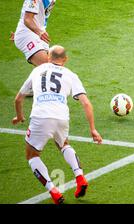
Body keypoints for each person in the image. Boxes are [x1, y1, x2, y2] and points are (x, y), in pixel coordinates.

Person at [12, 45, 103, 204]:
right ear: (65, 60)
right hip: (61, 117)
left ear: (48, 57)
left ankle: (53, 191)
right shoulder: (70, 74)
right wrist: (93, 129)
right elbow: (86, 103)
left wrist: (19, 116)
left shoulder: (36, 71)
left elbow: (18, 99)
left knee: (32, 155)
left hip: (40, 117)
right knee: (63, 144)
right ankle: (80, 176)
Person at [12, 0, 66, 66]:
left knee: (53, 67)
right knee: (48, 67)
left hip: (38, 34)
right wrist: (37, 32)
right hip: (28, 34)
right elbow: (27, 19)